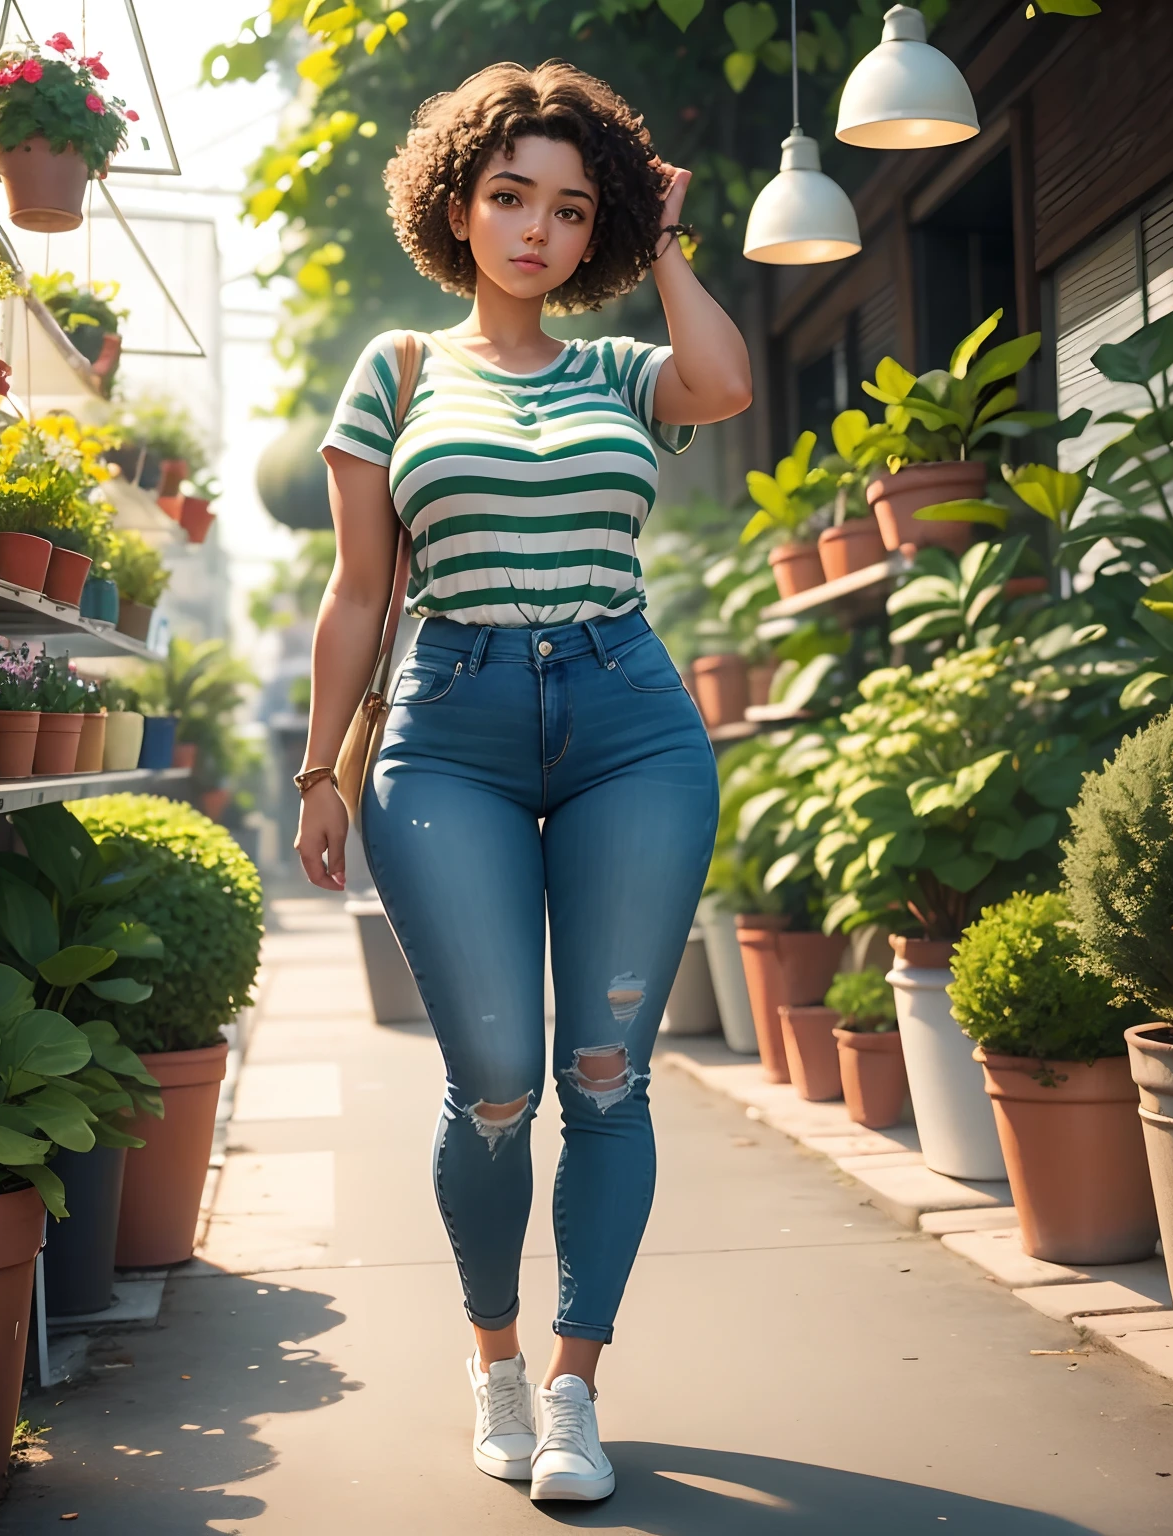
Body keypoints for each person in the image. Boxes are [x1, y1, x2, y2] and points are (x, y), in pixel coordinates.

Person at [293, 60, 751, 1503]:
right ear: (459, 206)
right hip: (451, 727)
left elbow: (726, 381)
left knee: (606, 1073)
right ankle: (491, 1354)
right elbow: (362, 591)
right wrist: (320, 766)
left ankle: (572, 1389)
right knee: (495, 1081)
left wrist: (667, 235)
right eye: (510, 198)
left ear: (593, 229)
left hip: (629, 719)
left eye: (569, 207)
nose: (537, 230)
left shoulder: (625, 370)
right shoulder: (401, 372)